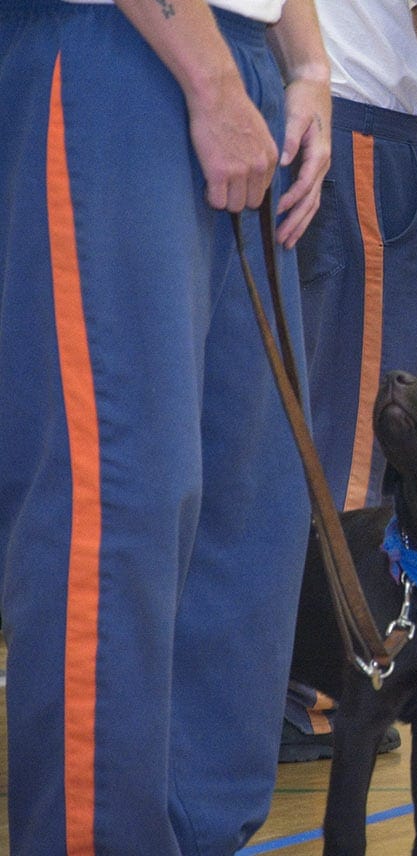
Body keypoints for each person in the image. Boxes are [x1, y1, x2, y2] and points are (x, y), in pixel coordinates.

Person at [0, 0, 329, 852]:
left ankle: (200, 832)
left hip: (240, 55)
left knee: (246, 499)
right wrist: (213, 81)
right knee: (118, 493)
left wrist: (310, 71)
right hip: (123, 51)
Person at [279, 0, 417, 762]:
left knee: (337, 427)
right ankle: (314, 690)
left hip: (356, 123)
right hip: (363, 126)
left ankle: (291, 680)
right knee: (359, 440)